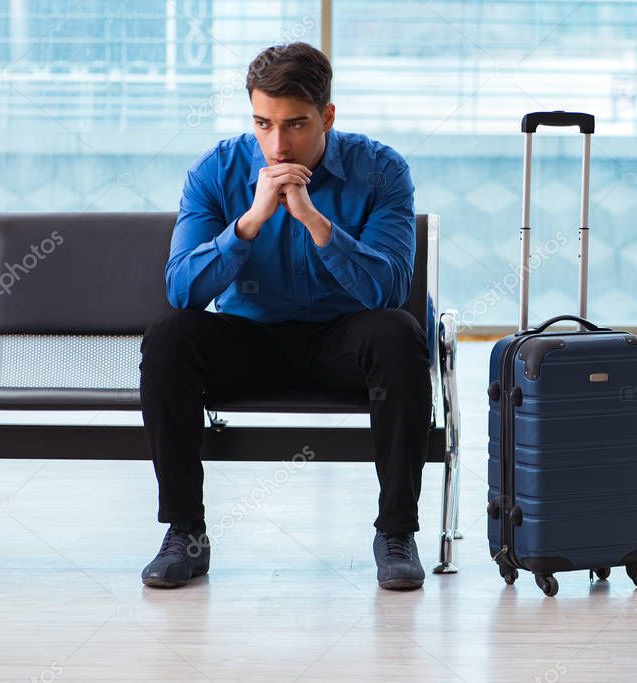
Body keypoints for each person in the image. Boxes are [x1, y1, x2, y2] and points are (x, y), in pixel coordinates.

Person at [138, 42, 431, 591]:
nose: (277, 144)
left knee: (398, 333)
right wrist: (249, 223)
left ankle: (396, 533)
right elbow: (182, 290)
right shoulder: (216, 171)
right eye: (263, 124)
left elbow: (389, 287)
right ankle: (185, 533)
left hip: (344, 344)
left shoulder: (383, 171)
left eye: (295, 125)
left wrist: (315, 221)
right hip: (251, 342)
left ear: (328, 116)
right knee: (171, 336)